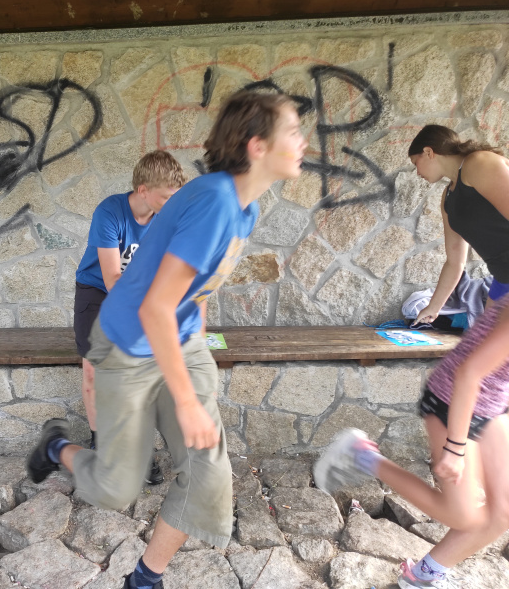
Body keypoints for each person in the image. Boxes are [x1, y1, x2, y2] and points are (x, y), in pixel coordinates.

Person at [28, 90, 307, 589]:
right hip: (128, 346)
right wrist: (187, 401)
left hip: (179, 343)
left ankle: (143, 579)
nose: (303, 141)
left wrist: (196, 353)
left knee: (208, 477)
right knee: (116, 488)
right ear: (257, 145)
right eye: (293, 130)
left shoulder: (245, 208)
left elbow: (196, 292)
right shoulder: (215, 201)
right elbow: (155, 307)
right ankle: (57, 448)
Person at [314, 292, 509, 589]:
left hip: (493, 405)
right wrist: (455, 448)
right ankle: (361, 455)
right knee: (461, 515)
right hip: (454, 399)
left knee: (504, 509)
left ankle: (422, 577)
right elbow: (469, 373)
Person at [74, 150, 186, 485]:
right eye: (166, 197)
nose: (172, 205)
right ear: (143, 190)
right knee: (94, 372)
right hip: (98, 292)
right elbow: (112, 280)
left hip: (144, 297)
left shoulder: (168, 219)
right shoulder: (110, 212)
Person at [408, 125, 509, 326]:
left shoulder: (479, 163)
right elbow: (455, 262)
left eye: (415, 163)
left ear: (428, 152)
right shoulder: (448, 198)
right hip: (502, 277)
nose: (417, 172)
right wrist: (433, 308)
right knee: (485, 341)